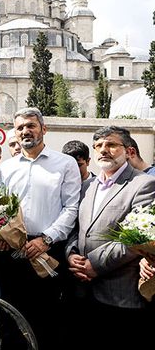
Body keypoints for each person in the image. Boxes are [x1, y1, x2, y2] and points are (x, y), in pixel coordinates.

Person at [0, 107, 80, 349]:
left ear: (44, 129)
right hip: (14, 252)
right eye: (20, 127)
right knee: (12, 314)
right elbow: (1, 209)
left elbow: (71, 208)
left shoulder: (65, 163)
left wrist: (46, 239)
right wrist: (0, 234)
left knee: (48, 317)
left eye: (30, 125)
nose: (25, 131)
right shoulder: (7, 167)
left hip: (47, 251)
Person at [66, 126, 155, 349]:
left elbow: (137, 238)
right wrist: (72, 253)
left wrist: (94, 264)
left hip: (119, 294)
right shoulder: (87, 185)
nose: (104, 150)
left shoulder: (143, 184)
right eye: (98, 146)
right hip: (83, 290)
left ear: (127, 151)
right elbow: (77, 227)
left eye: (111, 145)